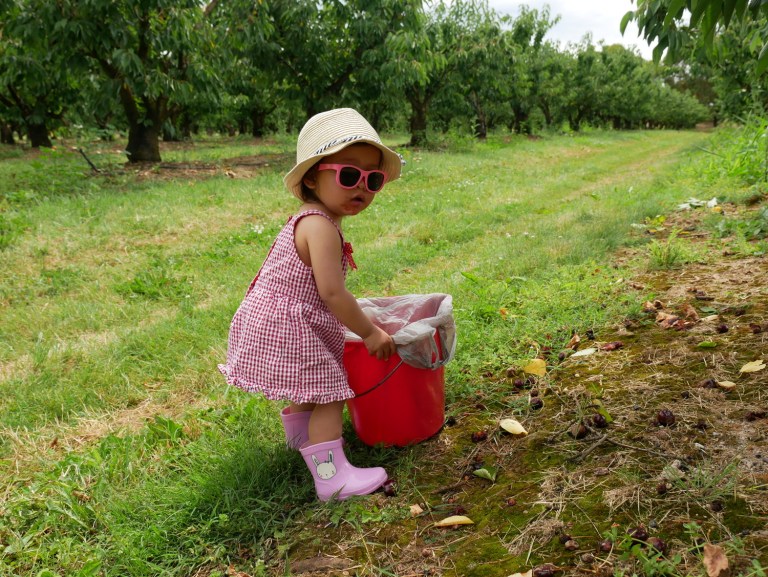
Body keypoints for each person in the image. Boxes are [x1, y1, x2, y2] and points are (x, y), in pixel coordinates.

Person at [218, 108, 402, 501]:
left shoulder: (313, 217)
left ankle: (303, 441)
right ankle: (331, 478)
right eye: (349, 175)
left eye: (373, 180)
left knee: (309, 386)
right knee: (330, 393)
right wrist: (369, 332)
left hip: (277, 318)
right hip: (287, 324)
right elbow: (332, 293)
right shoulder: (320, 226)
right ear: (311, 177)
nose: (362, 188)